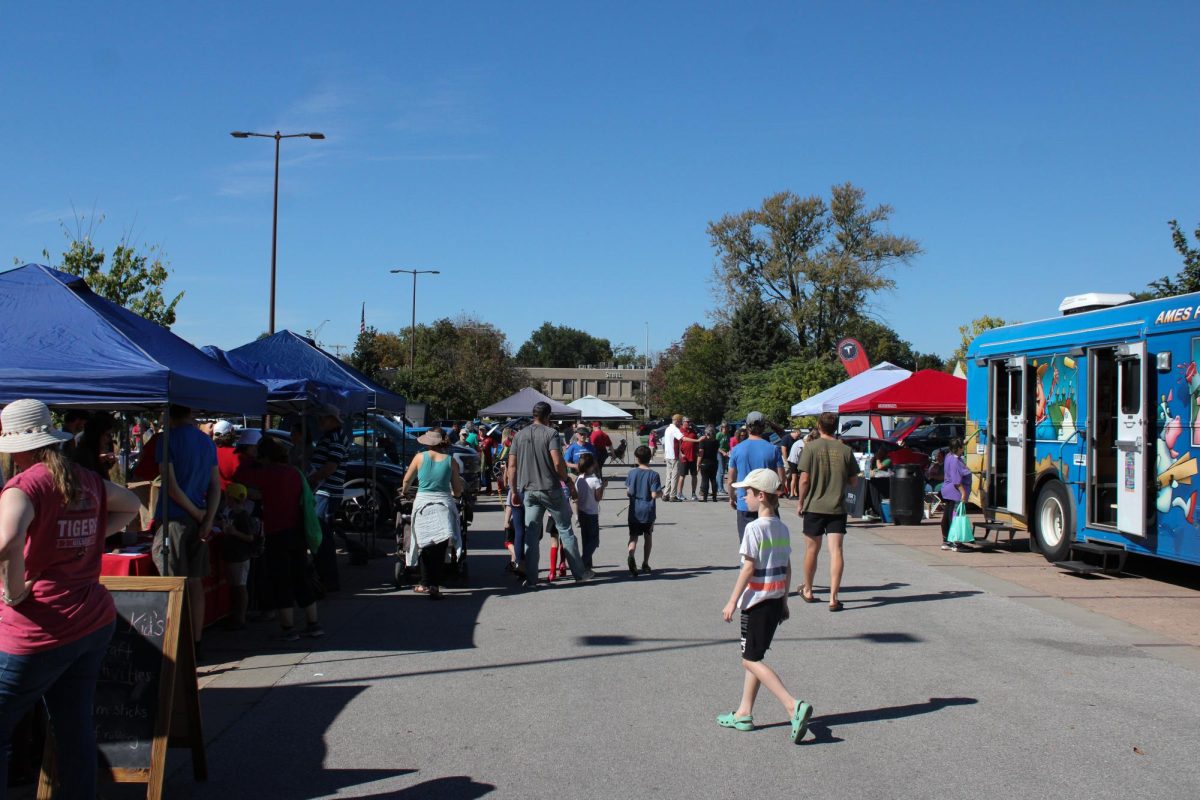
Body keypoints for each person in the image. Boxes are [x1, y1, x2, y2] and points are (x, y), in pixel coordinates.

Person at [0, 399, 141, 798]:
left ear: (16, 445)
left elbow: (6, 540)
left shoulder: (24, 485)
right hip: (90, 619)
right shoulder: (83, 477)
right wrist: (97, 534)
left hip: (37, 627)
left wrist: (13, 586)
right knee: (74, 727)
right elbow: (132, 505)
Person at [717, 468, 812, 743]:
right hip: (773, 602)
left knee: (750, 659)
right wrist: (783, 600)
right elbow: (787, 567)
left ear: (761, 496)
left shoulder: (753, 528)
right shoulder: (781, 527)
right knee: (755, 657)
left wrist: (732, 601)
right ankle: (744, 713)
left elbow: (748, 568)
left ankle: (792, 705)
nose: (742, 496)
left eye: (746, 492)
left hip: (756, 602)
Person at [153, 404, 220, 655]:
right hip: (199, 520)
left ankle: (174, 646)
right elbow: (215, 486)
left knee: (171, 584)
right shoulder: (206, 442)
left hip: (176, 520)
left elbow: (170, 484)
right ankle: (196, 642)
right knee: (195, 583)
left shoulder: (166, 439)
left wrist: (198, 513)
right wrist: (208, 518)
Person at [505, 401, 593, 584]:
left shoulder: (519, 436)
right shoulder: (551, 433)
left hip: (528, 490)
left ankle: (531, 578)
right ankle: (579, 573)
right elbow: (557, 462)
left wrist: (513, 490)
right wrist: (567, 481)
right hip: (550, 488)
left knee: (531, 534)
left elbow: (511, 466)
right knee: (565, 530)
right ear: (548, 416)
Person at [246, 436, 323, 640]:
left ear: (265, 456)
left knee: (281, 581)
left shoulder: (265, 475)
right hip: (297, 531)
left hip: (276, 532)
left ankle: (288, 628)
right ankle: (313, 624)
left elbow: (250, 490)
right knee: (301, 577)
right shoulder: (295, 473)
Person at [795, 411, 861, 612]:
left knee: (812, 550)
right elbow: (854, 481)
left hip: (814, 506)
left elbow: (804, 479)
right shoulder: (845, 450)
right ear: (836, 427)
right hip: (837, 507)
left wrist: (800, 502)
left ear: (818, 425)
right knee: (836, 551)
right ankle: (833, 597)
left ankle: (808, 589)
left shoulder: (810, 448)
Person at [400, 428, 464, 600]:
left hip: (423, 504)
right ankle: (435, 585)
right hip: (443, 504)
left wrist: (405, 492)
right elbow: (457, 488)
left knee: (424, 544)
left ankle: (424, 582)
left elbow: (407, 480)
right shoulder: (451, 461)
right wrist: (456, 495)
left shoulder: (419, 457)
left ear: (428, 442)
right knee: (439, 547)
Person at [726, 414, 786, 543]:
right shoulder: (773, 449)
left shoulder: (737, 450)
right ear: (763, 427)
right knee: (770, 547)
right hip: (768, 504)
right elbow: (781, 478)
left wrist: (732, 497)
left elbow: (731, 480)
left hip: (745, 503)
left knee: (748, 548)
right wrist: (776, 496)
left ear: (747, 427)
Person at [308, 404, 347, 591]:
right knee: (322, 535)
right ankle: (326, 576)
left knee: (321, 535)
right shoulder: (332, 437)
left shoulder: (335, 438)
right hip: (325, 490)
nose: (319, 422)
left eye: (321, 418)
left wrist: (311, 480)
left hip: (326, 490)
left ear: (331, 419)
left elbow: (331, 466)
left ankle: (328, 579)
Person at [220, 482, 260, 631]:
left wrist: (234, 532)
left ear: (231, 498)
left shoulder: (243, 516)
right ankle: (234, 615)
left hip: (240, 556)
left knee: (240, 587)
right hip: (232, 554)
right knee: (234, 587)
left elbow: (250, 537)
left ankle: (240, 618)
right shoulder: (231, 513)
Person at [625, 444, 661, 577]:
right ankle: (645, 563)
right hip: (648, 511)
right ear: (650, 458)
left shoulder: (632, 473)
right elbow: (653, 494)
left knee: (633, 536)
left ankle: (631, 555)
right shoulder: (654, 475)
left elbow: (628, 492)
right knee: (648, 536)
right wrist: (661, 493)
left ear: (636, 458)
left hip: (634, 510)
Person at [939, 438, 973, 552]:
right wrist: (963, 493)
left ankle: (947, 541)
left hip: (947, 491)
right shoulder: (955, 462)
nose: (963, 449)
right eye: (962, 447)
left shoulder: (949, 456)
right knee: (956, 517)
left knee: (948, 515)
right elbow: (957, 481)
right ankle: (956, 542)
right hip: (955, 492)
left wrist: (963, 442)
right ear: (959, 448)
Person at [574, 453, 604, 570]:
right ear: (591, 466)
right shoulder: (595, 480)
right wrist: (603, 487)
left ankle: (587, 566)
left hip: (582, 512)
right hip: (591, 513)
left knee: (585, 540)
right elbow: (598, 497)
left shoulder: (579, 478)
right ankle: (582, 563)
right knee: (594, 541)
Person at [72, 412, 118, 481]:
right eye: (107, 435)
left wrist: (102, 460)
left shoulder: (90, 454)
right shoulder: (83, 457)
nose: (109, 439)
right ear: (97, 435)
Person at [675, 418, 701, 501]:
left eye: (690, 421)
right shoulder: (679, 431)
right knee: (682, 476)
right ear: (683, 422)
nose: (689, 423)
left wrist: (698, 454)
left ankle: (693, 493)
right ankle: (679, 493)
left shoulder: (693, 431)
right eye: (687, 422)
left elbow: (697, 444)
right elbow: (677, 444)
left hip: (693, 457)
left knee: (694, 476)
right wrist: (680, 453)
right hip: (684, 458)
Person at [661, 414, 683, 501]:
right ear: (677, 421)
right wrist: (697, 440)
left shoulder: (668, 429)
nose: (681, 423)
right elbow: (682, 438)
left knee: (669, 476)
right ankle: (672, 495)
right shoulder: (675, 429)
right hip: (674, 455)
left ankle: (665, 494)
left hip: (668, 455)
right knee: (674, 476)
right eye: (680, 421)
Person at [698, 425, 720, 501]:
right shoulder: (716, 442)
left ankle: (705, 498)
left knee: (705, 480)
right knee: (713, 479)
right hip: (714, 462)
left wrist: (698, 464)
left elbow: (700, 454)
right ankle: (714, 497)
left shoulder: (703, 442)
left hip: (705, 462)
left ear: (706, 433)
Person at [716, 422, 732, 497]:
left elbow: (728, 445)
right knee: (721, 471)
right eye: (723, 427)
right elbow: (716, 446)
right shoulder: (719, 434)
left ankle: (718, 488)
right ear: (721, 428)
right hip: (719, 453)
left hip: (725, 453)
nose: (725, 429)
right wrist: (722, 452)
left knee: (722, 471)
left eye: (726, 427)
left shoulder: (728, 435)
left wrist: (728, 451)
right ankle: (720, 489)